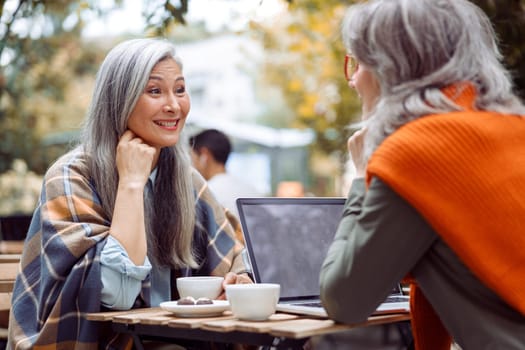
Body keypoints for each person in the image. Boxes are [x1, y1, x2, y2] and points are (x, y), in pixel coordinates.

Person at [8, 38, 252, 349]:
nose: (174, 105)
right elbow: (115, 294)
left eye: (179, 89)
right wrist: (132, 182)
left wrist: (241, 278)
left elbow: (237, 254)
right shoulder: (71, 175)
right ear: (119, 100)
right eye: (154, 91)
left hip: (174, 341)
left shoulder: (183, 177)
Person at [319, 1, 525, 349]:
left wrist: (360, 176)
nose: (353, 80)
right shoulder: (512, 127)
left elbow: (344, 299)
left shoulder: (417, 152)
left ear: (390, 68)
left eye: (357, 62)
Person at [189, 129, 263, 217]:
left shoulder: (205, 194)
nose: (191, 165)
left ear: (204, 155)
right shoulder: (252, 190)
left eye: (192, 157)